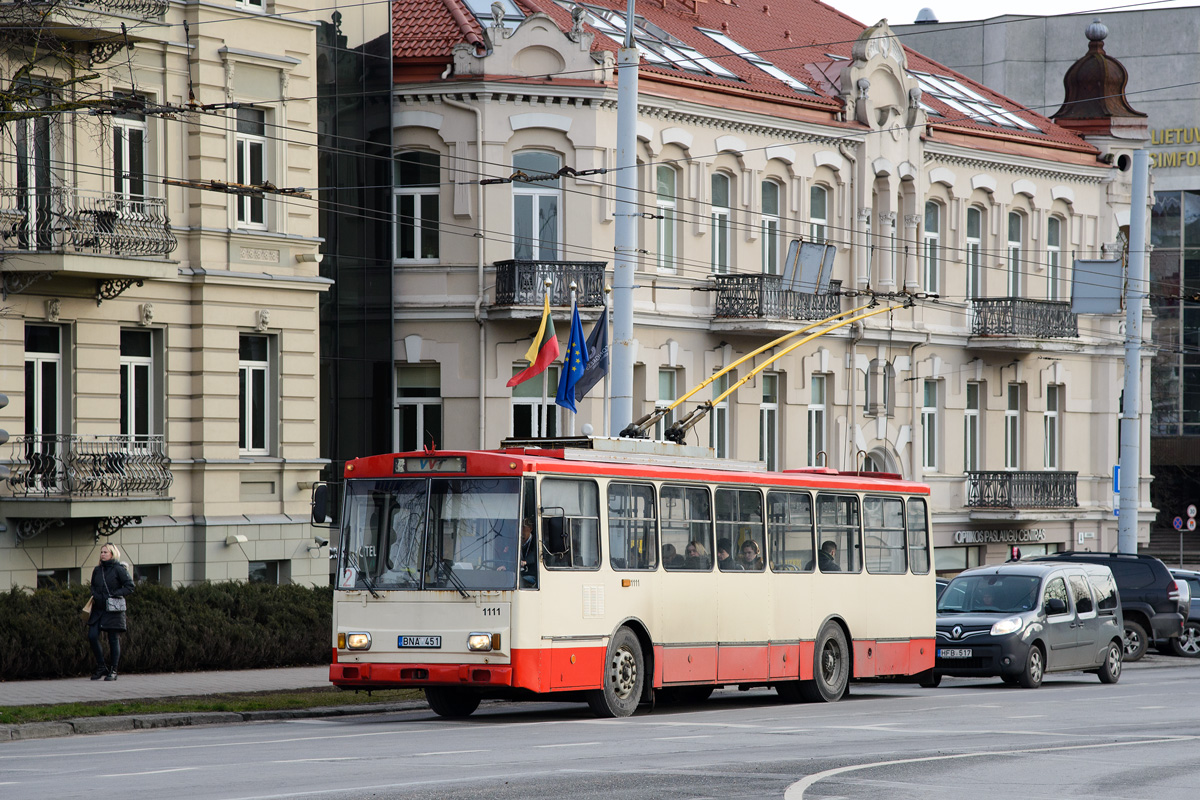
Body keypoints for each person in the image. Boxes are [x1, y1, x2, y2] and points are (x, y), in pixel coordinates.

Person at [86, 542, 134, 681]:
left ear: (112, 554)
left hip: (113, 609)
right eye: (101, 552)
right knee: (92, 636)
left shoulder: (119, 569)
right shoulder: (97, 569)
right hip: (98, 608)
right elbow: (93, 585)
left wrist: (114, 593)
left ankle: (113, 670)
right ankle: (101, 666)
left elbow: (130, 587)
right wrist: (95, 594)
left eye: (105, 552)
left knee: (113, 639)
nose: (102, 554)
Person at [519, 519, 538, 586]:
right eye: (519, 527)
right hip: (517, 575)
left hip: (531, 575)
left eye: (523, 528)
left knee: (521, 582)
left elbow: (535, 554)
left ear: (530, 529)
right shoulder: (516, 540)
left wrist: (525, 561)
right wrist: (504, 566)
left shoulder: (536, 541)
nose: (521, 531)